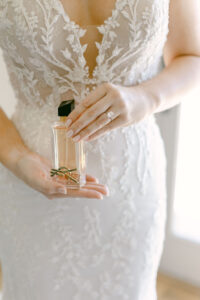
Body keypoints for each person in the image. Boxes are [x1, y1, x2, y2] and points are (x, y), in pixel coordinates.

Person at [0, 0, 199, 299]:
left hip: (132, 184)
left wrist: (147, 99)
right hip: (32, 180)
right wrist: (17, 157)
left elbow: (191, 55)